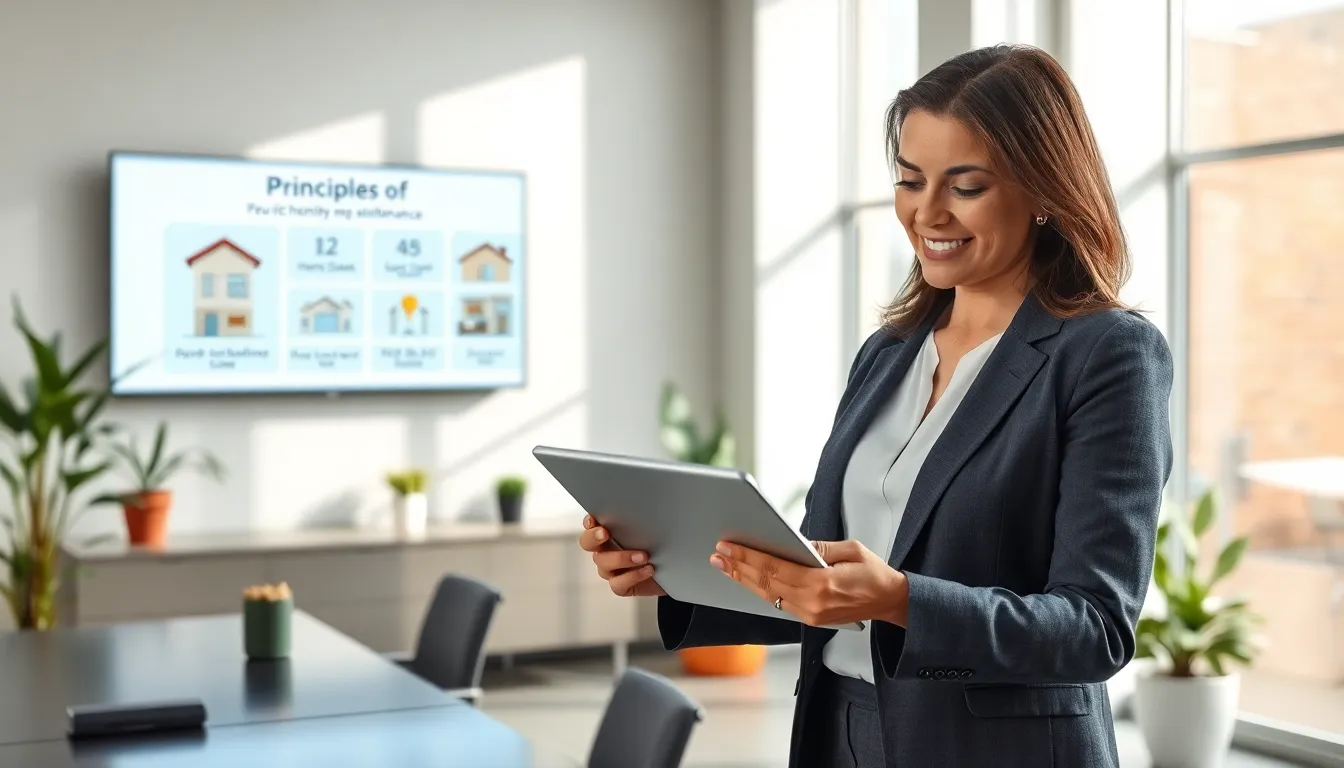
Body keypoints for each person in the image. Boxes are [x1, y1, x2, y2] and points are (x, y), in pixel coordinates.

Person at [579, 44, 1172, 768]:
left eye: (967, 185)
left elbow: (1094, 628)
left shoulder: (1107, 355)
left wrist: (899, 600)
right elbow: (816, 579)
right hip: (840, 732)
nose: (927, 212)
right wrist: (670, 571)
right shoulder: (889, 354)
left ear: (1046, 192)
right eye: (910, 180)